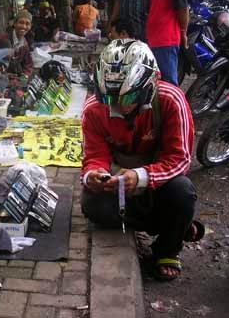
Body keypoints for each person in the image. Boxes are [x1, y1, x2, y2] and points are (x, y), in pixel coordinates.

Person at [81, 39, 201, 282]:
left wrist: (142, 176)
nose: (117, 106)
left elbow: (179, 160)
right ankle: (176, 224)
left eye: (126, 99)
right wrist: (93, 175)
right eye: (109, 99)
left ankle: (168, 250)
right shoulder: (94, 109)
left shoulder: (171, 100)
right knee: (92, 204)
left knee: (182, 192)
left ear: (148, 86)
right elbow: (95, 155)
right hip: (119, 182)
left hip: (161, 182)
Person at [146, 0, 189, 86]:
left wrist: (183, 32)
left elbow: (183, 10)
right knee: (157, 83)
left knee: (169, 83)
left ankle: (174, 108)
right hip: (154, 40)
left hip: (166, 42)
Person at [0, 10, 34, 78]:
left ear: (30, 26)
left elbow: (28, 64)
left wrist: (25, 75)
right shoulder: (0, 38)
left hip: (13, 78)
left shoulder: (24, 44)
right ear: (14, 24)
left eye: (27, 24)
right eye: (21, 23)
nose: (24, 27)